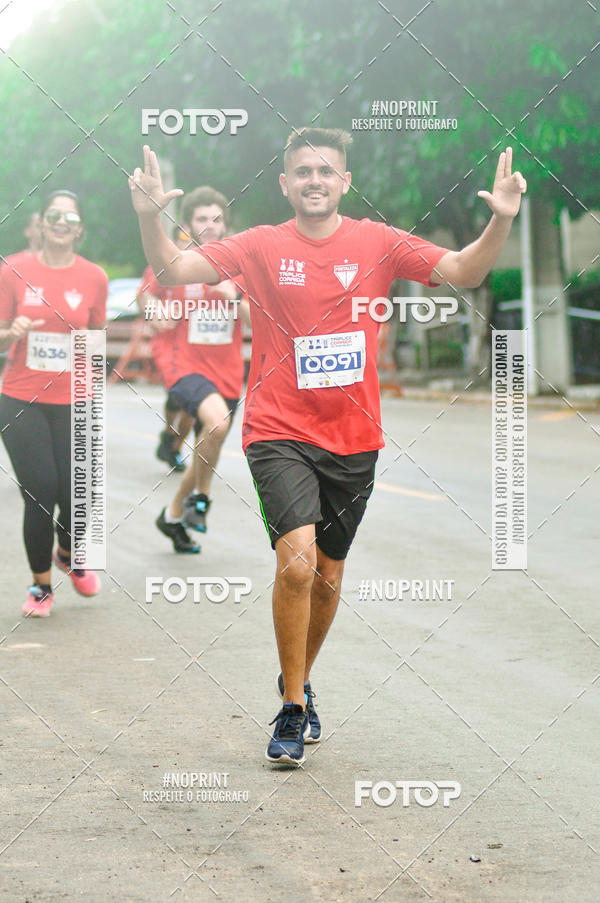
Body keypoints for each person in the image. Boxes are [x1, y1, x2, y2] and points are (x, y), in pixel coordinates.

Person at [129, 129, 527, 765]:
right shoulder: (260, 245)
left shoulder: (376, 241)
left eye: (326, 170)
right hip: (278, 428)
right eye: (302, 171)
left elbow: (466, 272)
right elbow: (175, 271)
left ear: (344, 181)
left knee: (329, 573)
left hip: (354, 436)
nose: (314, 179)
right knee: (296, 564)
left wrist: (499, 221)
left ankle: (300, 681)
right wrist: (150, 216)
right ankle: (291, 708)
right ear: (285, 184)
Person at [0, 190, 107, 617]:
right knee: (40, 491)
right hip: (21, 397)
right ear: (41, 224)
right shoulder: (12, 270)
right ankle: (40, 588)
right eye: (53, 215)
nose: (61, 222)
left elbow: (95, 337)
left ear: (79, 229)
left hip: (74, 399)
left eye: (70, 216)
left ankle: (68, 552)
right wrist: (11, 333)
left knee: (77, 494)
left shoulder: (94, 276)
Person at [142, 187, 248, 552]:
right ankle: (202, 500)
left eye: (216, 219)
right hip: (182, 363)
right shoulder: (177, 261)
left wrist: (234, 296)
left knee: (210, 442)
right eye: (202, 219)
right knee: (216, 424)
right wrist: (157, 315)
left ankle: (172, 516)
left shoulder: (241, 264)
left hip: (228, 371)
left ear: (225, 223)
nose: (210, 226)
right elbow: (148, 294)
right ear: (187, 225)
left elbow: (260, 318)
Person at [136, 226, 195, 473]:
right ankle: (170, 433)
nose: (188, 243)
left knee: (193, 407)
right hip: (169, 345)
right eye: (183, 237)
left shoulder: (207, 266)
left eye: (193, 238)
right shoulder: (162, 266)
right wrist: (155, 313)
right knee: (181, 395)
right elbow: (144, 296)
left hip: (199, 348)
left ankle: (173, 445)